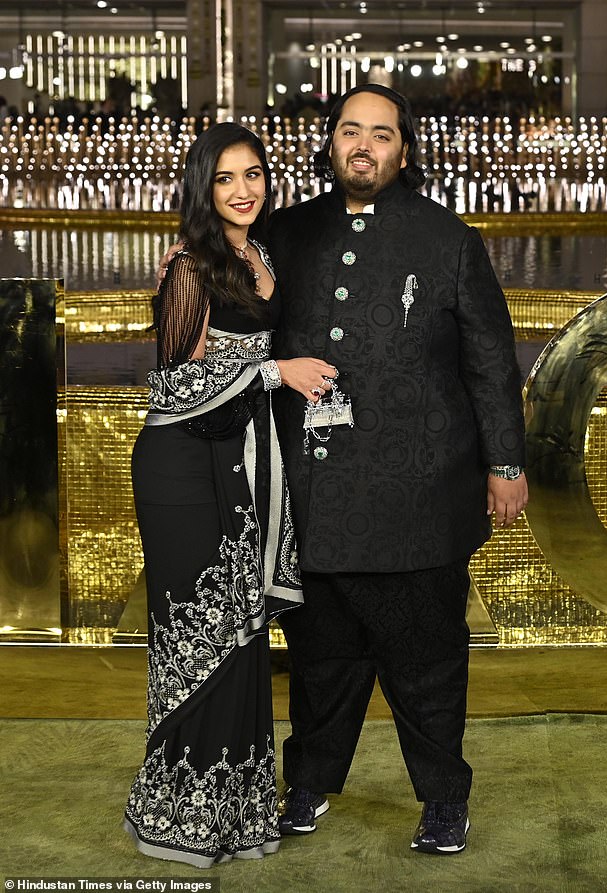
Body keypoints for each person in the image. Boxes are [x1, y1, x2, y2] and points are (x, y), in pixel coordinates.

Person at [157, 85, 528, 857]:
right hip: (310, 496)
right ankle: (308, 784)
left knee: (426, 667)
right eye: (351, 131)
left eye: (381, 134)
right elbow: (229, 299)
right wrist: (190, 258)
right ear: (330, 145)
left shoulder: (449, 238)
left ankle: (444, 800)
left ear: (403, 148)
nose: (365, 145)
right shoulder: (283, 234)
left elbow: (491, 363)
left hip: (421, 499)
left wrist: (505, 463)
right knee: (321, 662)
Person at [125, 121, 336, 867]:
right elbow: (175, 383)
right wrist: (280, 372)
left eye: (254, 175)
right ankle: (177, 815)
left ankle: (237, 813)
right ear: (202, 187)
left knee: (242, 633)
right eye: (225, 179)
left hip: (244, 460)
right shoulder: (188, 266)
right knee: (199, 632)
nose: (243, 190)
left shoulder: (261, 251)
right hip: (183, 466)